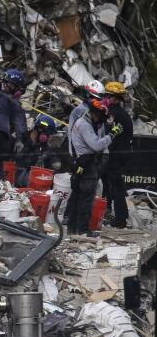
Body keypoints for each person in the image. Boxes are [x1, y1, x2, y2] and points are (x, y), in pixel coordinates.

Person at [67, 98, 121, 235]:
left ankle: (73, 229)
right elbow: (96, 145)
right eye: (101, 117)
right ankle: (82, 230)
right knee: (86, 198)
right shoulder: (84, 124)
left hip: (81, 162)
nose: (101, 121)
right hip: (86, 163)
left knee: (78, 196)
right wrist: (112, 135)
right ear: (95, 114)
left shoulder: (83, 122)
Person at [103, 81, 133, 228]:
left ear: (115, 98)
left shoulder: (113, 114)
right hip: (123, 152)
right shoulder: (124, 114)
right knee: (111, 183)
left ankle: (120, 219)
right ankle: (110, 211)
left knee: (116, 185)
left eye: (109, 96)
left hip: (115, 154)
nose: (106, 98)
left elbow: (110, 135)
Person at [14, 115, 61, 187]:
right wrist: (33, 154)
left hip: (34, 176)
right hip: (19, 174)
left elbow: (51, 154)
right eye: (48, 135)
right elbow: (19, 158)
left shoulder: (43, 144)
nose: (49, 137)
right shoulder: (22, 139)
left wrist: (46, 158)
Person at [68, 80, 105, 160]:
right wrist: (74, 154)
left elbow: (100, 131)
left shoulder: (99, 111)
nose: (96, 102)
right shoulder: (79, 111)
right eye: (93, 98)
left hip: (94, 152)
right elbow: (71, 132)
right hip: (82, 155)